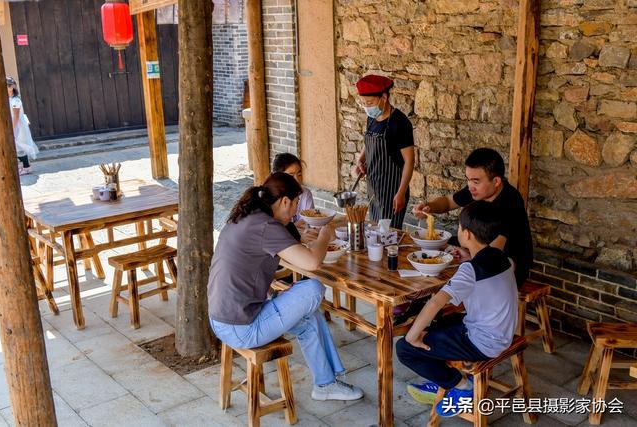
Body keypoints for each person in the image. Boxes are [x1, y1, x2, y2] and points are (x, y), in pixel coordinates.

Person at [207, 172, 363, 401]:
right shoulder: (265, 226)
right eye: (296, 203)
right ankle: (326, 383)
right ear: (285, 201)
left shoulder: (249, 216)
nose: (297, 210)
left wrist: (274, 290)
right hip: (241, 327)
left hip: (223, 319)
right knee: (313, 289)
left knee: (309, 315)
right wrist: (325, 235)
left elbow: (246, 265)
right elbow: (311, 262)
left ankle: (325, 384)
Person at [396, 201, 518, 417]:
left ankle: (461, 386)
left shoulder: (470, 270)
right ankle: (442, 376)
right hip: (501, 332)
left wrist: (413, 337)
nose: (458, 231)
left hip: (483, 342)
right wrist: (470, 257)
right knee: (434, 324)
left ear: (467, 234)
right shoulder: (505, 258)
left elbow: (436, 302)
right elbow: (487, 277)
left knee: (405, 348)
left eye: (460, 228)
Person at [412, 148, 532, 288]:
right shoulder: (478, 190)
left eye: (475, 181)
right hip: (478, 253)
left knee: (446, 274)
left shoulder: (510, 202)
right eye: (468, 180)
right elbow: (448, 202)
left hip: (507, 266)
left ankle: (443, 303)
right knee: (431, 253)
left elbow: (494, 254)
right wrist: (429, 207)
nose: (470, 186)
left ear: (497, 181)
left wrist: (469, 258)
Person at [354, 74, 414, 229]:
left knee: (388, 235)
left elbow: (409, 161)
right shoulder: (372, 118)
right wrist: (361, 160)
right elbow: (369, 143)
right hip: (374, 187)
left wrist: (401, 193)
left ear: (384, 97)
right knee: (375, 231)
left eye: (370, 102)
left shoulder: (399, 123)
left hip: (392, 190)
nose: (367, 107)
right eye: (363, 103)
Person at [6, 77, 38, 175]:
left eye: (9, 85)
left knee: (20, 146)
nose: (8, 87)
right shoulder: (9, 99)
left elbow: (16, 116)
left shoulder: (16, 100)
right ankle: (22, 165)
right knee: (15, 146)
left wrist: (11, 128)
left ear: (12, 87)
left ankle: (27, 167)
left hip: (18, 127)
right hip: (14, 125)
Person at [272, 152, 314, 222]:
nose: (297, 180)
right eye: (291, 176)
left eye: (299, 174)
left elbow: (308, 222)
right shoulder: (272, 197)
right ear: (277, 176)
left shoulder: (305, 193)